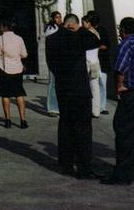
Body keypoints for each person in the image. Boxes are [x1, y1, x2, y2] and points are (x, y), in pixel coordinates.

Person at [100, 16, 134, 186]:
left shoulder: (127, 44)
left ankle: (123, 175)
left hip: (132, 95)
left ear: (123, 30)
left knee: (125, 133)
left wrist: (119, 86)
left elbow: (121, 67)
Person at [46, 12, 100, 178]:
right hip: (80, 90)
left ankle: (66, 165)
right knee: (83, 129)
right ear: (74, 25)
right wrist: (82, 29)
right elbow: (96, 41)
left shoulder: (51, 39)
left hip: (63, 89)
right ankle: (84, 167)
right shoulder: (79, 37)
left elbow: (51, 65)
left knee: (65, 126)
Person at [0, 19, 28, 128]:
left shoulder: (0, 39)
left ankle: (8, 120)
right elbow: (24, 54)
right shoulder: (19, 38)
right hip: (18, 69)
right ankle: (23, 120)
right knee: (19, 94)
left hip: (4, 70)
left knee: (5, 95)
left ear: (4, 27)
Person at [85, 11, 111, 115]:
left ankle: (102, 107)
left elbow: (106, 45)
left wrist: (95, 47)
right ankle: (94, 107)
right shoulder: (88, 31)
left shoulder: (102, 30)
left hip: (102, 61)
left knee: (102, 85)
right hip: (94, 61)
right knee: (93, 85)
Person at [44, 11, 62, 117]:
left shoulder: (61, 28)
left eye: (60, 17)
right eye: (56, 17)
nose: (59, 19)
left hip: (60, 61)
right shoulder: (51, 29)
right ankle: (52, 108)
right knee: (52, 84)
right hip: (53, 61)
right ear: (52, 19)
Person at [82, 16, 101, 118]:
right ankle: (96, 110)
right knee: (95, 87)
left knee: (87, 86)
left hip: (88, 62)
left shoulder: (88, 34)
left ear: (89, 23)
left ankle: (89, 109)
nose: (82, 24)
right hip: (95, 62)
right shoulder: (96, 34)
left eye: (84, 22)